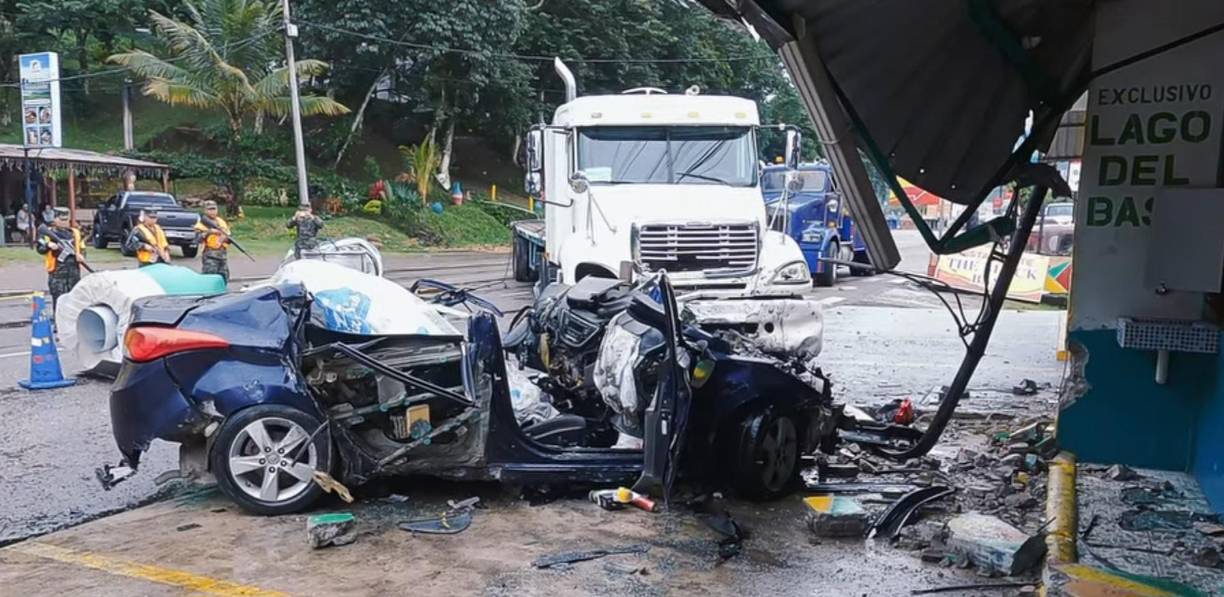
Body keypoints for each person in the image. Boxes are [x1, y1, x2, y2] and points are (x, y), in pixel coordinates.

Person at [35, 207, 85, 312]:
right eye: (61, 220)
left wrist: (81, 255)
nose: (64, 222)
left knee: (73, 300)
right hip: (57, 273)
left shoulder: (75, 233)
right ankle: (58, 326)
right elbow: (40, 248)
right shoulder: (48, 232)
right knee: (58, 301)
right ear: (55, 219)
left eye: (66, 220)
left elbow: (82, 247)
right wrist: (49, 245)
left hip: (74, 272)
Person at [193, 200, 231, 282]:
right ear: (205, 210)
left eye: (214, 209)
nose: (212, 211)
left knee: (224, 277)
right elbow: (197, 239)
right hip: (210, 256)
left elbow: (229, 239)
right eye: (210, 209)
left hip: (222, 255)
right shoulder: (201, 224)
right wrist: (209, 232)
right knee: (209, 279)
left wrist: (224, 237)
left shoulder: (221, 222)